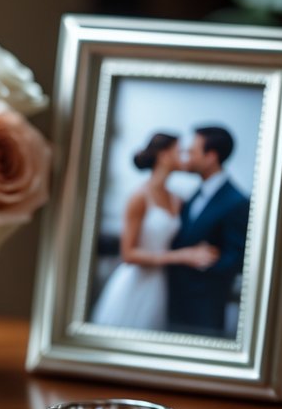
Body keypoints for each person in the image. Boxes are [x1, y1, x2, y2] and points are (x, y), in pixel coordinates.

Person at [92, 133, 218, 331]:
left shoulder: (177, 199)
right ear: (164, 155)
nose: (185, 157)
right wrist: (182, 256)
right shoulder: (139, 197)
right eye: (180, 151)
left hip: (159, 285)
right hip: (135, 283)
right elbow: (128, 254)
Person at [166, 125, 250, 337]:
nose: (187, 158)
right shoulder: (193, 194)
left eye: (192, 152)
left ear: (211, 156)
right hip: (173, 300)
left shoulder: (236, 202)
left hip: (204, 310)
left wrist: (202, 260)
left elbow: (236, 257)